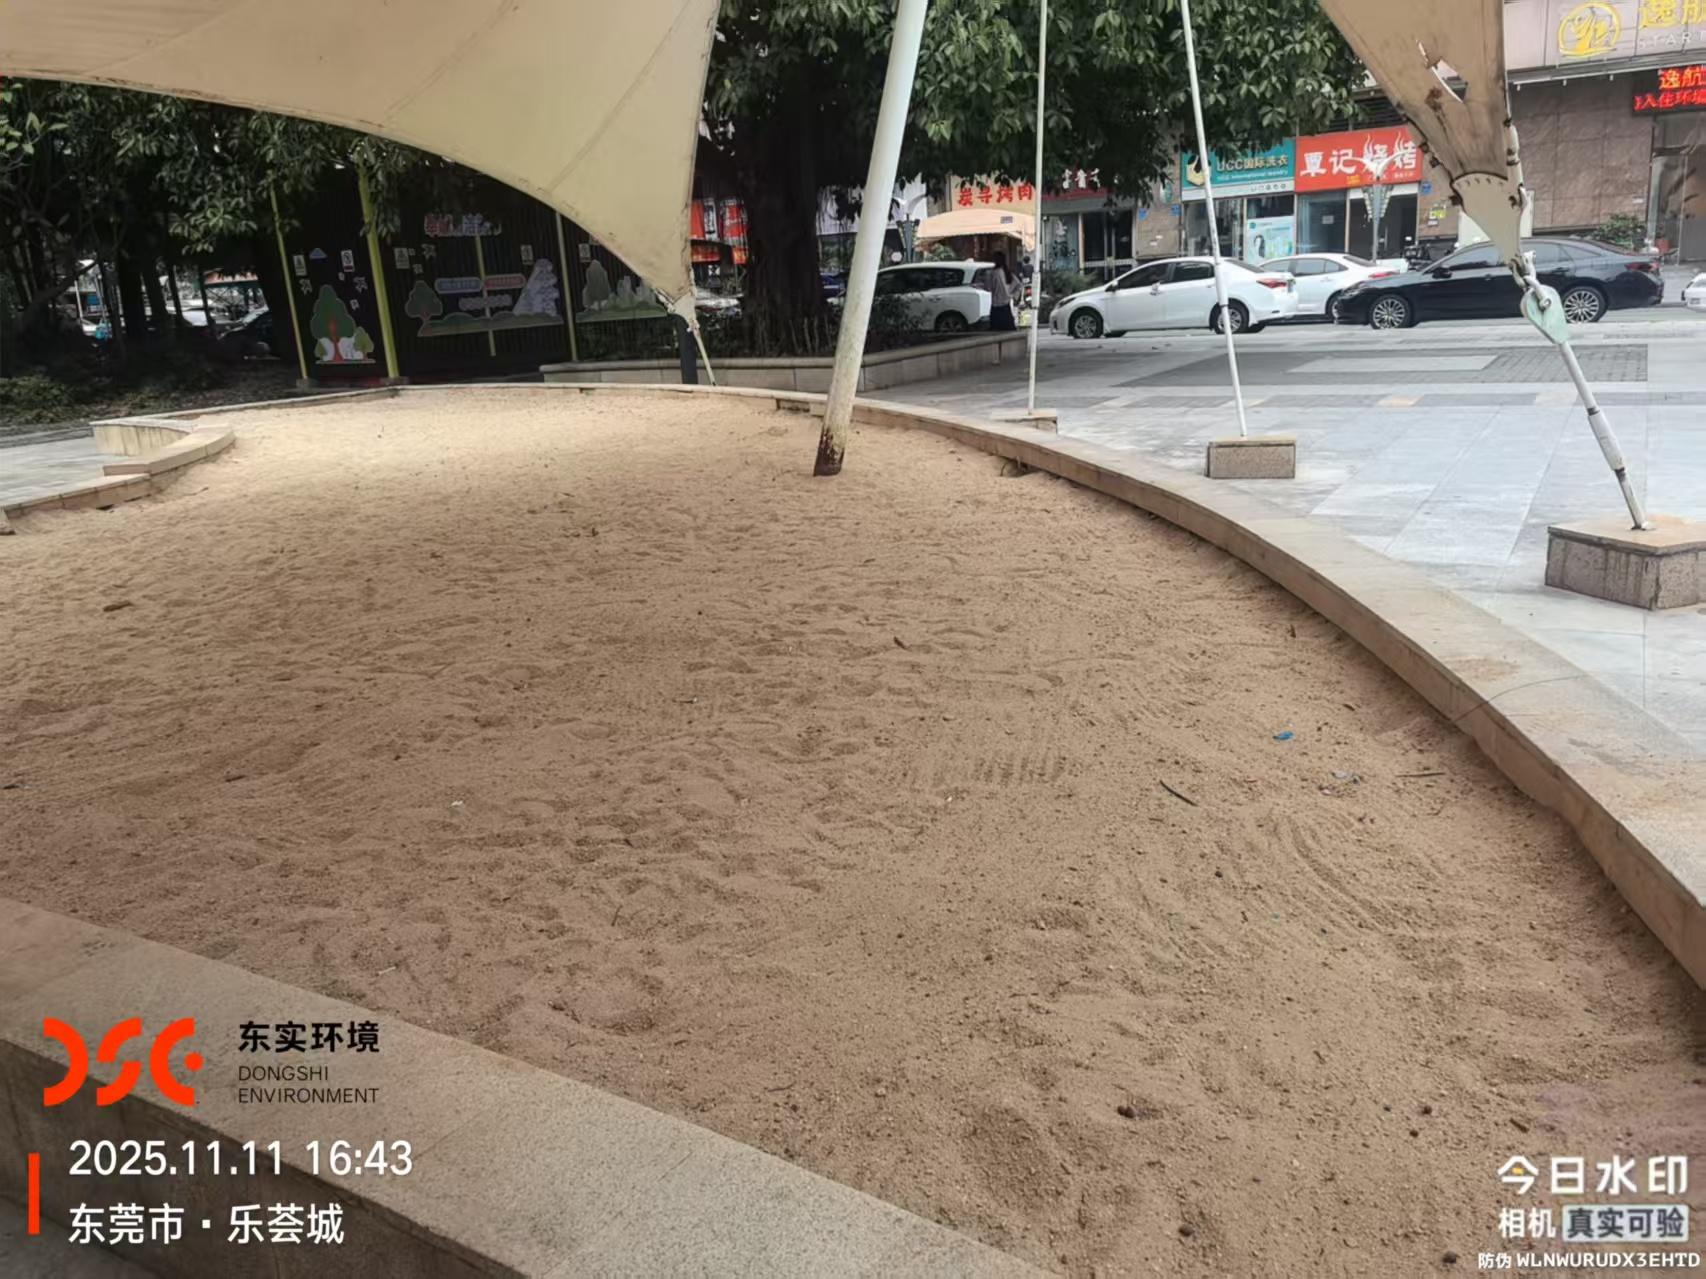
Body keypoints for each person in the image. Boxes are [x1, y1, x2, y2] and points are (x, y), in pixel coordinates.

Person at [987, 250, 1018, 331]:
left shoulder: (994, 273)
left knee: (996, 329)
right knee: (1008, 328)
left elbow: (989, 287)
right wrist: (1012, 294)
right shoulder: (1006, 271)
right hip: (1006, 304)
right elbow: (1018, 284)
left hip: (996, 304)